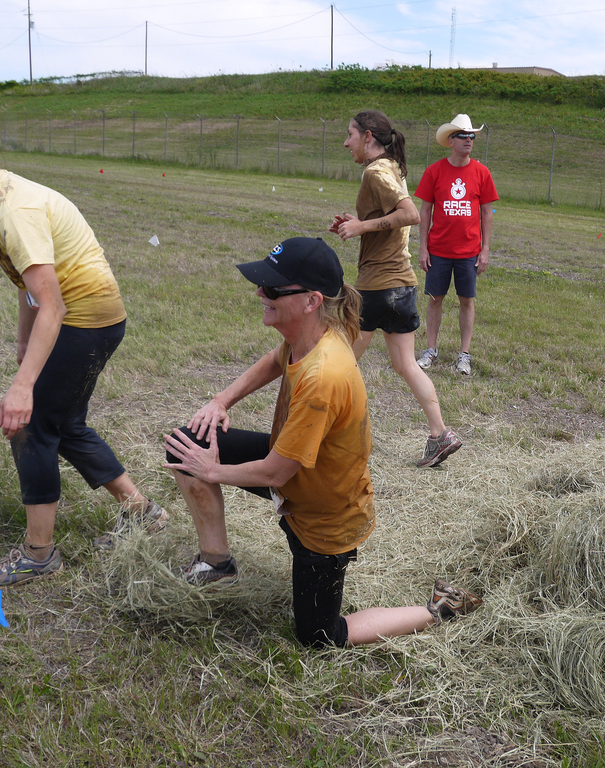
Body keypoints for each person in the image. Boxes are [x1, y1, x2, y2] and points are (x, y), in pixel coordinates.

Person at [162, 237, 482, 647]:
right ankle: (217, 563)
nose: (260, 292)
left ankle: (438, 609)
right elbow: (277, 360)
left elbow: (277, 470)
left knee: (318, 636)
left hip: (325, 515)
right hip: (296, 478)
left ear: (312, 301)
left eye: (274, 289)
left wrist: (212, 471)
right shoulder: (309, 336)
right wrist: (222, 400)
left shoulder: (323, 375)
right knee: (186, 444)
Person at [0, 113, 166, 589]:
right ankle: (143, 512)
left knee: (29, 424)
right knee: (63, 423)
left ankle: (38, 554)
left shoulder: (14, 210)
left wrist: (22, 386)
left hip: (85, 320)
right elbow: (28, 283)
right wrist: (23, 340)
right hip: (88, 318)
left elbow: (53, 301)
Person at [329, 110, 462, 469]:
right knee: (405, 364)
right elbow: (388, 220)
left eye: (350, 135)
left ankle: (330, 436)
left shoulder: (375, 171)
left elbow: (410, 214)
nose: (346, 142)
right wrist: (358, 224)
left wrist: (361, 228)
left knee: (339, 361)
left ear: (368, 136)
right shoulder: (391, 168)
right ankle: (440, 434)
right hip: (402, 284)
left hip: (376, 286)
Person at [415, 114, 499, 376]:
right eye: (463, 135)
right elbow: (425, 210)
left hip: (468, 252)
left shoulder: (482, 173)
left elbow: (487, 213)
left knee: (466, 300)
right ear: (451, 140)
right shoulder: (435, 171)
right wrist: (423, 247)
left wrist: (485, 250)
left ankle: (464, 354)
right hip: (438, 250)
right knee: (435, 299)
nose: (469, 140)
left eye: (472, 136)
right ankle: (431, 350)